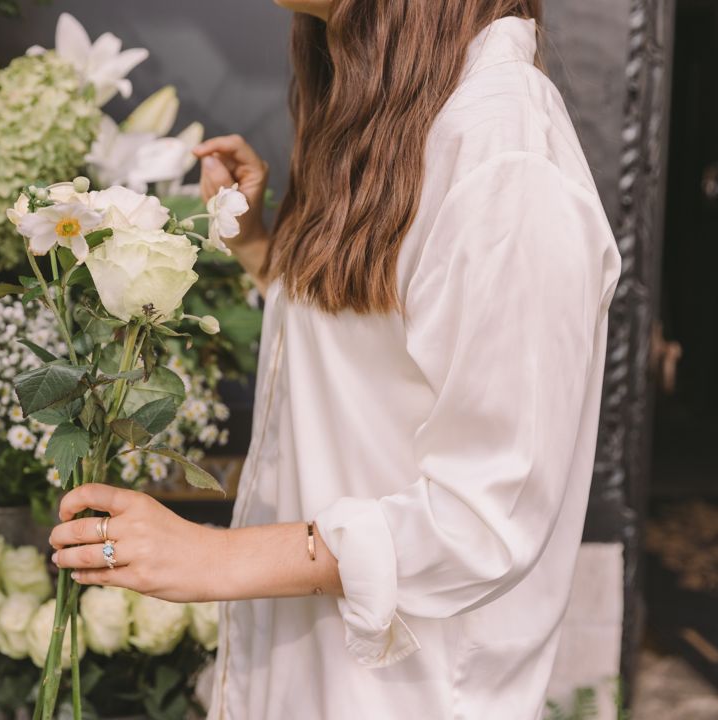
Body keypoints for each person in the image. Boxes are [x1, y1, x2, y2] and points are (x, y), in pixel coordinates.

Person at [48, 0, 623, 717]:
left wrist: (211, 558)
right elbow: (382, 364)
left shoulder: (505, 161)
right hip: (314, 666)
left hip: (404, 690)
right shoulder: (399, 102)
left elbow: (486, 519)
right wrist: (261, 246)